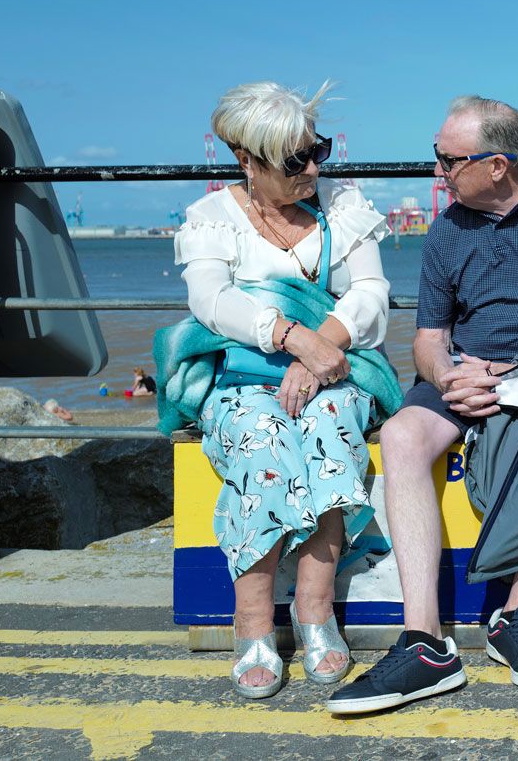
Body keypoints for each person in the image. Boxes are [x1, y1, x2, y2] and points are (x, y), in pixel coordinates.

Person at [327, 96, 518, 713]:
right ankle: (424, 644)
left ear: (498, 164)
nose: (437, 170)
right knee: (403, 436)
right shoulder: (445, 229)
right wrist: (447, 376)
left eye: (446, 159)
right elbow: (429, 336)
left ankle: (515, 612)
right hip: (465, 372)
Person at [157, 81, 399, 699]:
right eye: (295, 160)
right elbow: (211, 301)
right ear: (247, 160)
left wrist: (323, 352)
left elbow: (369, 294)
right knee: (262, 440)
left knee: (331, 431)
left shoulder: (342, 206)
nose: (313, 168)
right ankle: (254, 621)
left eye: (316, 151)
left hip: (338, 365)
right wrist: (292, 338)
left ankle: (315, 610)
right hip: (243, 373)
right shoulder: (213, 218)